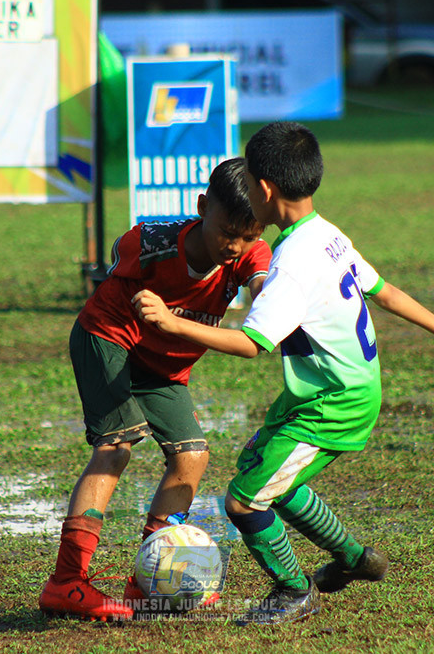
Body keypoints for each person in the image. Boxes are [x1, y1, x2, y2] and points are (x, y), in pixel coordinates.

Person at [134, 121, 434, 626]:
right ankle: (355, 558)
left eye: (247, 182)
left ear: (265, 190)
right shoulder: (327, 235)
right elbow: (381, 289)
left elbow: (252, 344)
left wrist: (171, 321)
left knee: (244, 500)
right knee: (272, 479)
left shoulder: (292, 261)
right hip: (323, 392)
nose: (245, 192)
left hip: (332, 402)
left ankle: (294, 591)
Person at [39, 157, 272, 621]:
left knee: (192, 456)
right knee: (117, 445)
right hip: (108, 337)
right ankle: (66, 583)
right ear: (203, 207)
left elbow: (265, 288)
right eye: (228, 230)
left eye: (250, 234)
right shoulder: (154, 244)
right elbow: (119, 251)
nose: (237, 245)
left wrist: (271, 294)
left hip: (162, 366)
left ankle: (150, 579)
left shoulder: (251, 253)